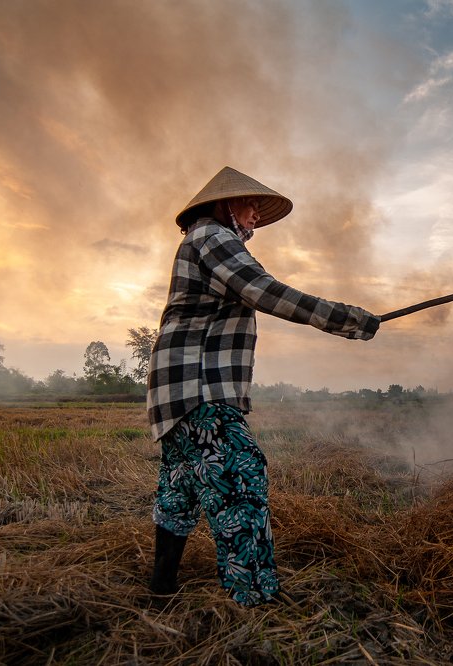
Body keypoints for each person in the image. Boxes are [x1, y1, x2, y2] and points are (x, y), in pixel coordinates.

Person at [146, 166, 379, 605]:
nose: (256, 213)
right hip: (200, 387)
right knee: (240, 475)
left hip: (176, 392)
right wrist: (346, 319)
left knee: (180, 487)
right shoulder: (213, 236)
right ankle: (255, 599)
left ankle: (160, 589)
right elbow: (263, 290)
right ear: (225, 204)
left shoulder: (198, 239)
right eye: (250, 204)